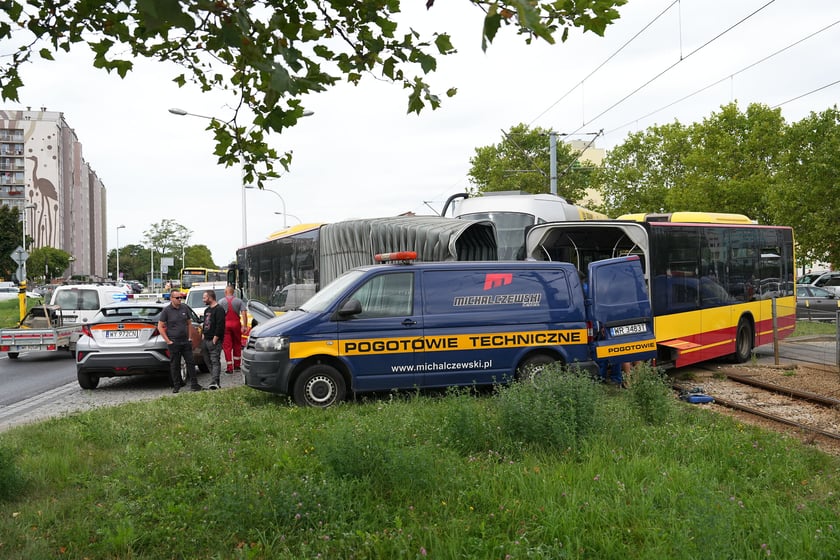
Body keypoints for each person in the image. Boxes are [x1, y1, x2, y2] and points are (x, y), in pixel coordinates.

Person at [158, 289, 204, 393]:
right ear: (171, 298)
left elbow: (189, 323)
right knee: (175, 364)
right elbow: (160, 326)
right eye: (177, 298)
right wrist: (168, 341)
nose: (180, 299)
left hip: (185, 341)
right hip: (174, 341)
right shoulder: (166, 311)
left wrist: (190, 337)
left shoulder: (184, 308)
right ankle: (176, 386)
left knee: (191, 362)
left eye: (181, 297)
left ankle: (194, 384)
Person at [218, 285, 247, 373]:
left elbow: (218, 315)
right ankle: (237, 365)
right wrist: (244, 326)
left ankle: (229, 367)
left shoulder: (221, 301)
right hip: (236, 324)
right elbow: (244, 314)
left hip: (225, 325)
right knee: (237, 344)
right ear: (233, 292)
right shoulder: (239, 301)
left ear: (225, 292)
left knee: (227, 346)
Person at [201, 289, 226, 390]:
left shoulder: (219, 309)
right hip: (205, 340)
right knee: (207, 360)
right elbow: (205, 324)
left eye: (204, 298)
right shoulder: (207, 310)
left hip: (214, 340)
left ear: (210, 298)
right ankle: (214, 380)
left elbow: (220, 325)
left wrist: (215, 339)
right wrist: (203, 335)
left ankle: (215, 381)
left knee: (215, 360)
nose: (203, 300)